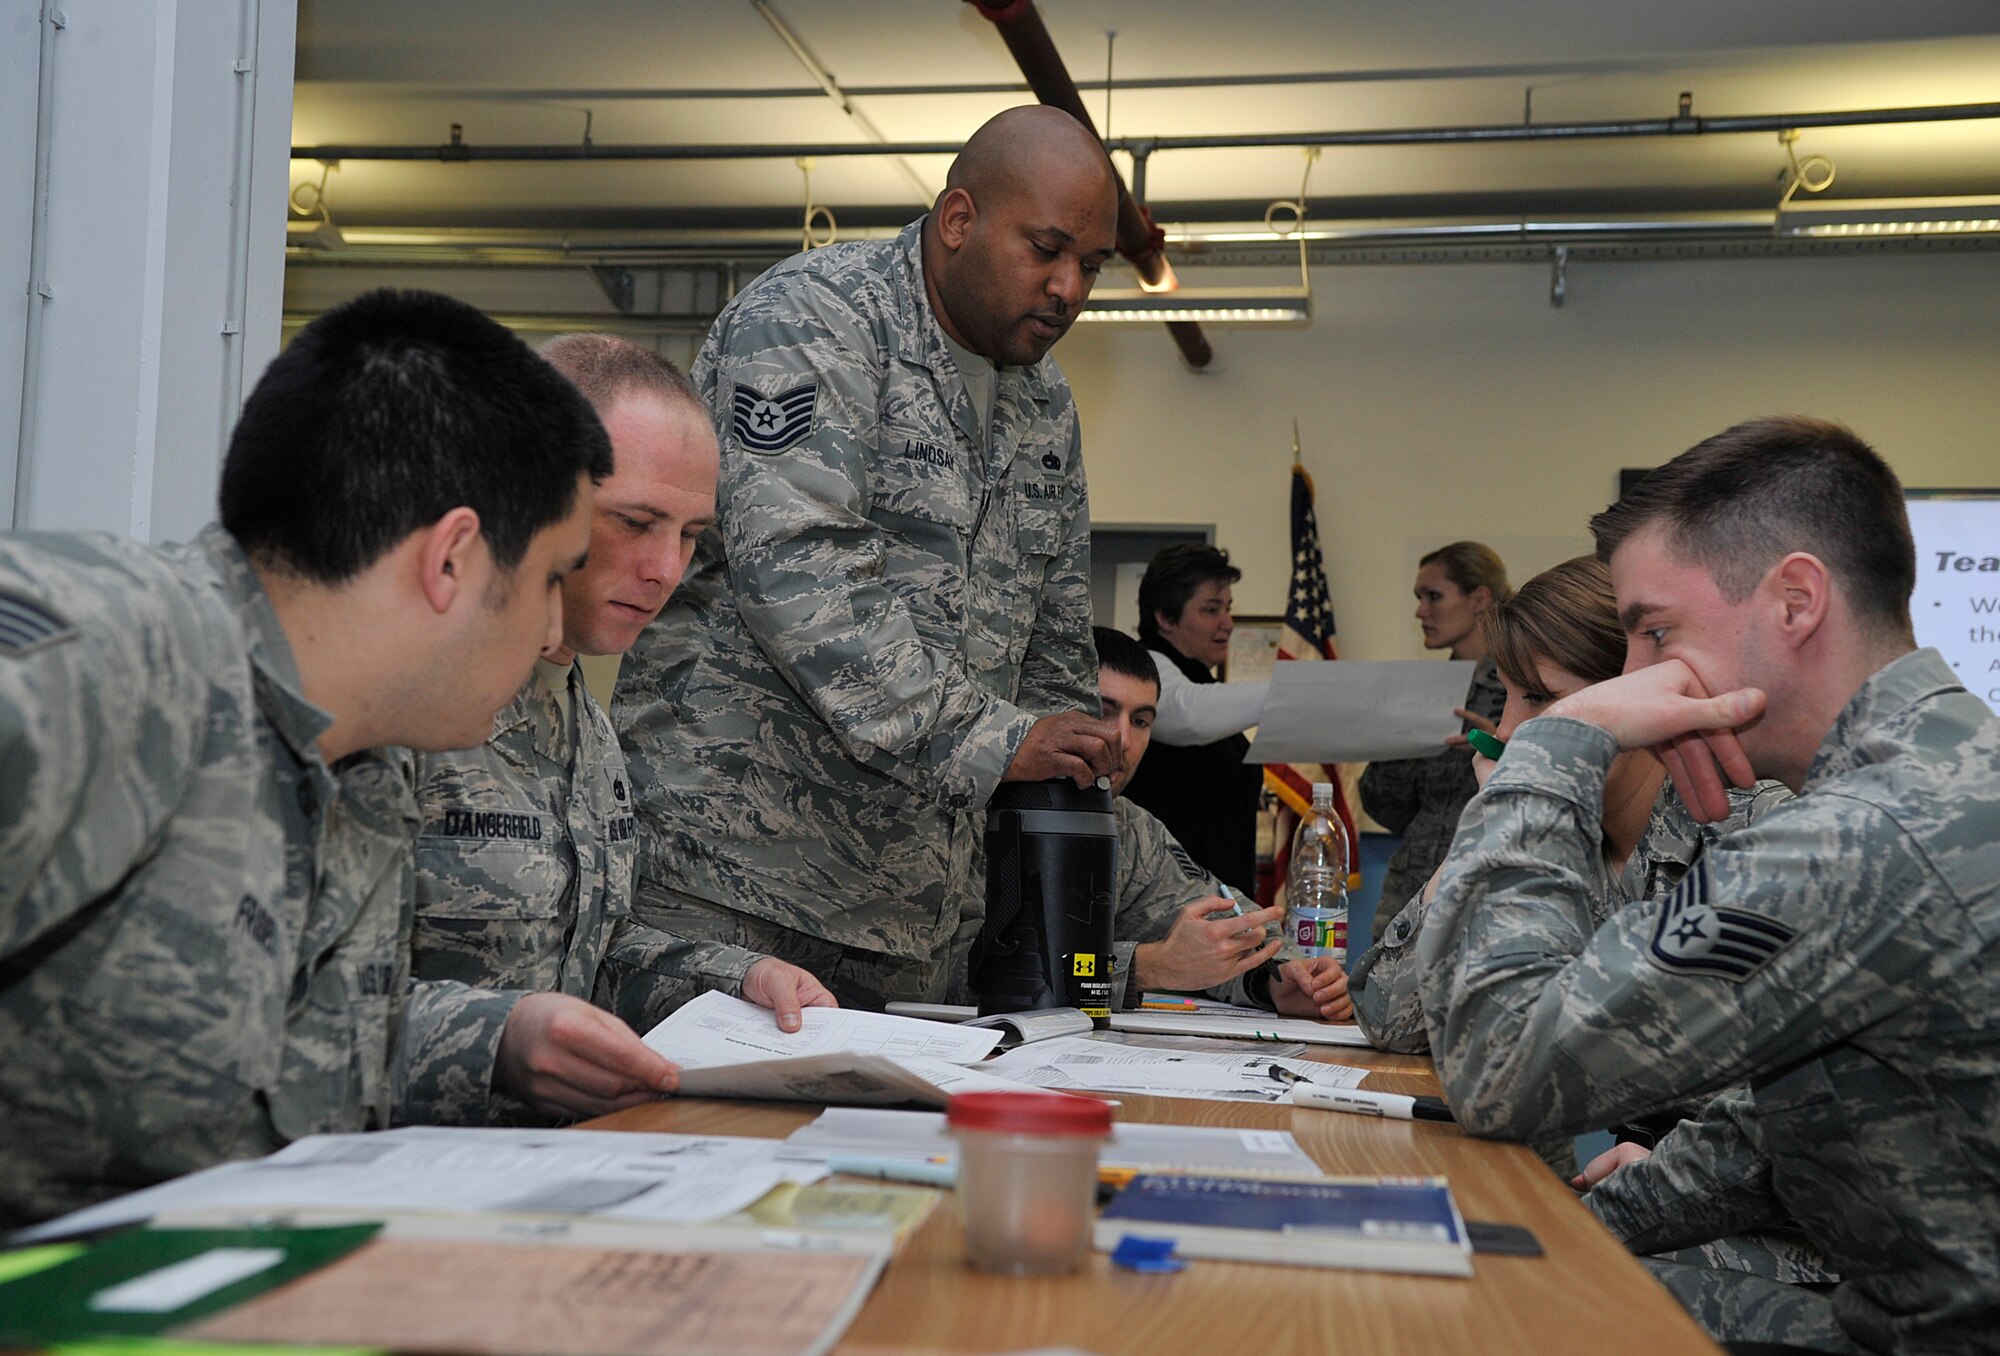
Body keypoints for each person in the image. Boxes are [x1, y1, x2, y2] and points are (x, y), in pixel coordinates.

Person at [0, 290, 682, 1228]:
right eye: (548, 580)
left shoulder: (359, 762)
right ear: (450, 561)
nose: (556, 626)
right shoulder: (105, 661)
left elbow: (297, 1066)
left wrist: (495, 1039)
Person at [1416, 417, 2000, 1352]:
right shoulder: (1938, 774)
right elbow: (1775, 1122)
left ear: (1796, 600)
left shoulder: (1859, 835)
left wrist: (1559, 741)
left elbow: (1498, 1065)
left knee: (1477, 1317)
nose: (1638, 678)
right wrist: (1594, 1227)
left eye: (1656, 632)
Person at [606, 105, 1121, 1014]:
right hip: (737, 882)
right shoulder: (814, 320)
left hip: (916, 913)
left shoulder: (1043, 404)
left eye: (1090, 265)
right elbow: (801, 577)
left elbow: (1055, 631)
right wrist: (1004, 742)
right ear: (958, 220)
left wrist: (1067, 770)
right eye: (1046, 249)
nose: (1069, 288)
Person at [405, 335, 835, 1073]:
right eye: (635, 523)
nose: (666, 569)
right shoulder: (396, 705)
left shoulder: (585, 721)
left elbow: (583, 954)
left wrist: (733, 980)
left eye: (691, 536)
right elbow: (304, 1004)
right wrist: (496, 1046)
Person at [1346, 557, 1790, 1179]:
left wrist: (1664, 1154)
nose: (1506, 729)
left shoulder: (1758, 834)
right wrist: (1490, 832)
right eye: (1506, 697)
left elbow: (1806, 1092)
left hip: (1774, 1228)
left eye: (1543, 699)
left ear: (1642, 692)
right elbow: (1391, 1019)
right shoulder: (1556, 841)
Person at [1091, 628, 1347, 1018]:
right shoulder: (978, 806)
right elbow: (970, 964)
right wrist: (1151, 965)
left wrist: (1276, 980)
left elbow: (1223, 918)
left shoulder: (1129, 828)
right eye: (1103, 711)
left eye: (1141, 721)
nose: (1123, 739)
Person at [1358, 541, 1510, 941]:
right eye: (1418, 598)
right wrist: (1386, 749)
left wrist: (1500, 745)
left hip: (1492, 891)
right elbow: (1389, 810)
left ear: (1480, 598)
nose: (1420, 611)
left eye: (1434, 597)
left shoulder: (1524, 684)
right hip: (1412, 889)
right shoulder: (1422, 691)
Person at [1121, 543, 1267, 894]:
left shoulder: (1200, 680)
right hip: (1166, 904)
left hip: (1219, 898)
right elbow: (1188, 714)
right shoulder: (1143, 670)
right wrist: (1298, 690)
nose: (1228, 624)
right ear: (1165, 617)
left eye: (1228, 609)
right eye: (1211, 610)